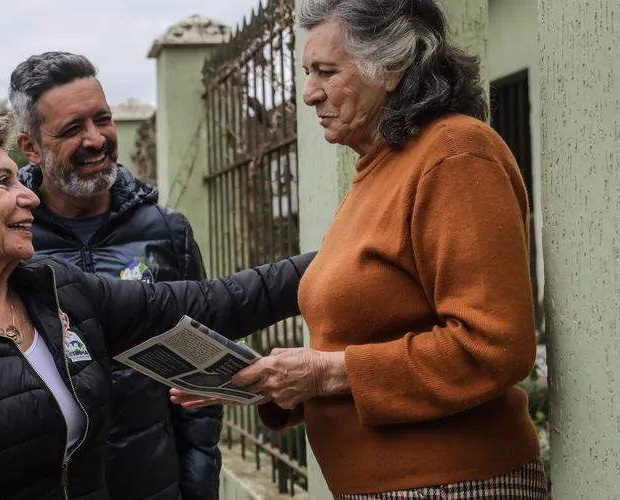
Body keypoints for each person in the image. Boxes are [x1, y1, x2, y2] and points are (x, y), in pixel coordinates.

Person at [0, 107, 315, 499]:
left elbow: (217, 301)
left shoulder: (58, 289)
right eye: (2, 182)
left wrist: (346, 257)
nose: (29, 196)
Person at [172, 0, 547, 498]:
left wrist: (326, 373)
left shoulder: (455, 153)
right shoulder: (379, 168)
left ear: (391, 68)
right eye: (307, 72)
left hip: (453, 484)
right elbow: (368, 333)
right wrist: (270, 380)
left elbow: (493, 346)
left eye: (326, 71)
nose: (308, 94)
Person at [10, 51, 280, 500]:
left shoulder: (166, 231)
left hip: (155, 484)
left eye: (103, 119)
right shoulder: (10, 239)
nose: (97, 140)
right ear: (32, 147)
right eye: (73, 129)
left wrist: (196, 486)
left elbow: (201, 374)